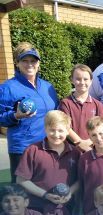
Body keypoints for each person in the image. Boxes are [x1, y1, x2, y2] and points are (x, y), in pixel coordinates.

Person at [15, 110, 81, 215]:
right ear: (45, 129)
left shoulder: (75, 153)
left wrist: (70, 193)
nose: (56, 135)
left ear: (68, 131)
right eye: (52, 130)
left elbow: (80, 180)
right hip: (37, 208)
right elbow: (21, 180)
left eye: (61, 131)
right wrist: (45, 195)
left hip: (63, 210)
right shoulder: (33, 150)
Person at [0, 42, 59, 182]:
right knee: (21, 194)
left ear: (38, 63)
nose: (29, 64)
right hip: (22, 148)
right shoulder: (8, 87)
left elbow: (56, 113)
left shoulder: (47, 87)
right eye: (24, 61)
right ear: (17, 63)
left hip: (47, 146)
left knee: (45, 185)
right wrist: (16, 115)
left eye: (33, 61)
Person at [59, 64, 103, 153]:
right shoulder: (66, 103)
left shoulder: (97, 104)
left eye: (86, 79)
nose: (82, 82)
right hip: (72, 151)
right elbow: (65, 126)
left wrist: (91, 141)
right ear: (72, 80)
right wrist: (80, 142)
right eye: (78, 79)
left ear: (91, 81)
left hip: (93, 150)